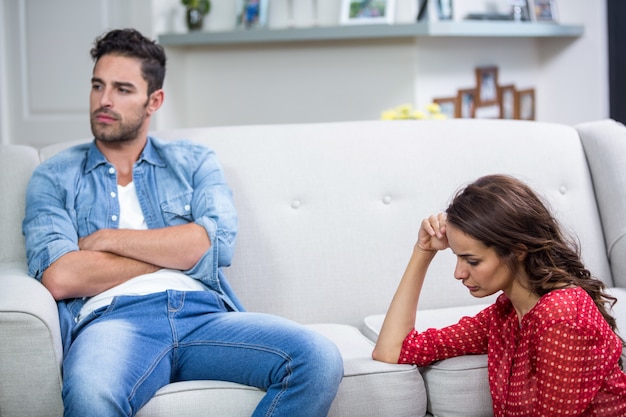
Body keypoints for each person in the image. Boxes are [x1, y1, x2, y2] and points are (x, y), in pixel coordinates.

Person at [22, 28, 343, 417]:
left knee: (319, 358)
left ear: (153, 100)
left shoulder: (193, 162)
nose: (104, 101)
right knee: (90, 394)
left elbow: (214, 245)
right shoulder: (53, 176)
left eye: (122, 89)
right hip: (112, 320)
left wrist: (107, 239)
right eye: (97, 85)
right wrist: (175, 251)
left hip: (202, 314)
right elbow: (61, 277)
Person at [372, 174, 626, 416]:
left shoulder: (560, 316)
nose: (458, 273)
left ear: (517, 250)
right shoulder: (506, 314)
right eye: (457, 257)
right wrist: (423, 251)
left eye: (472, 260)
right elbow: (394, 350)